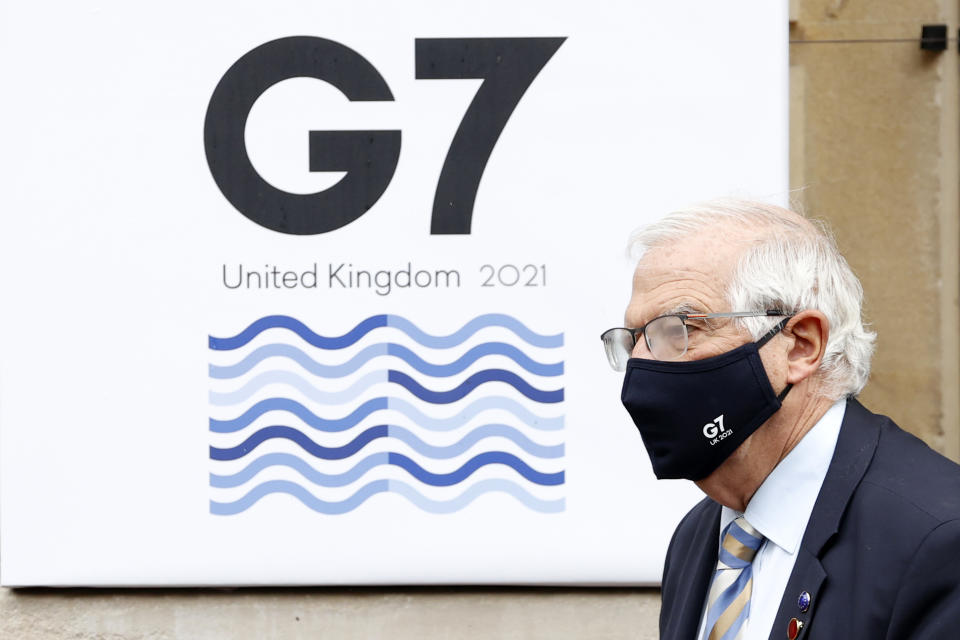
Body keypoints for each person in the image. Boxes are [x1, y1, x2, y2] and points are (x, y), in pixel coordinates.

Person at [600, 199, 960, 639]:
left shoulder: (939, 538)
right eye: (635, 339)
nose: (642, 365)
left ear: (801, 346)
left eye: (680, 329)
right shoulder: (699, 537)